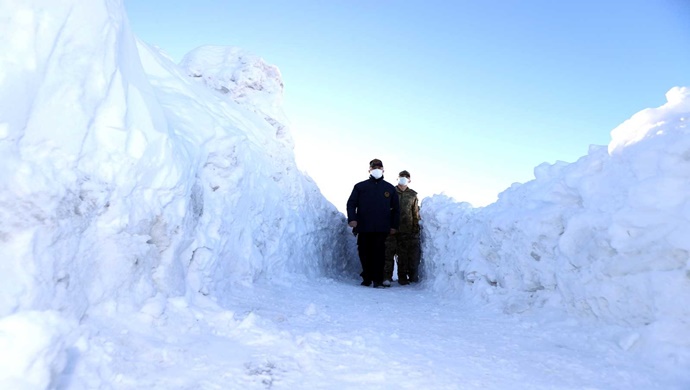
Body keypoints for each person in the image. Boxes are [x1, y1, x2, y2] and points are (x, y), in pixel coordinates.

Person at [347, 158, 400, 288]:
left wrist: (394, 226)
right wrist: (352, 219)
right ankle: (367, 278)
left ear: (383, 170)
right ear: (369, 170)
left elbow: (396, 209)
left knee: (379, 253)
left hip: (381, 227)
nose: (376, 169)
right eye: (374, 167)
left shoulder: (389, 188)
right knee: (364, 253)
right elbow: (351, 203)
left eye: (379, 167)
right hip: (364, 226)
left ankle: (377, 280)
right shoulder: (360, 186)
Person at [384, 170, 421, 285]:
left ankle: (402, 277)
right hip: (391, 229)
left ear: (409, 180)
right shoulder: (391, 191)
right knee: (388, 253)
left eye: (406, 177)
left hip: (406, 229)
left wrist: (415, 228)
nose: (403, 178)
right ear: (397, 178)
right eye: (401, 176)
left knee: (403, 255)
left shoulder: (413, 195)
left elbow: (415, 212)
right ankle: (386, 277)